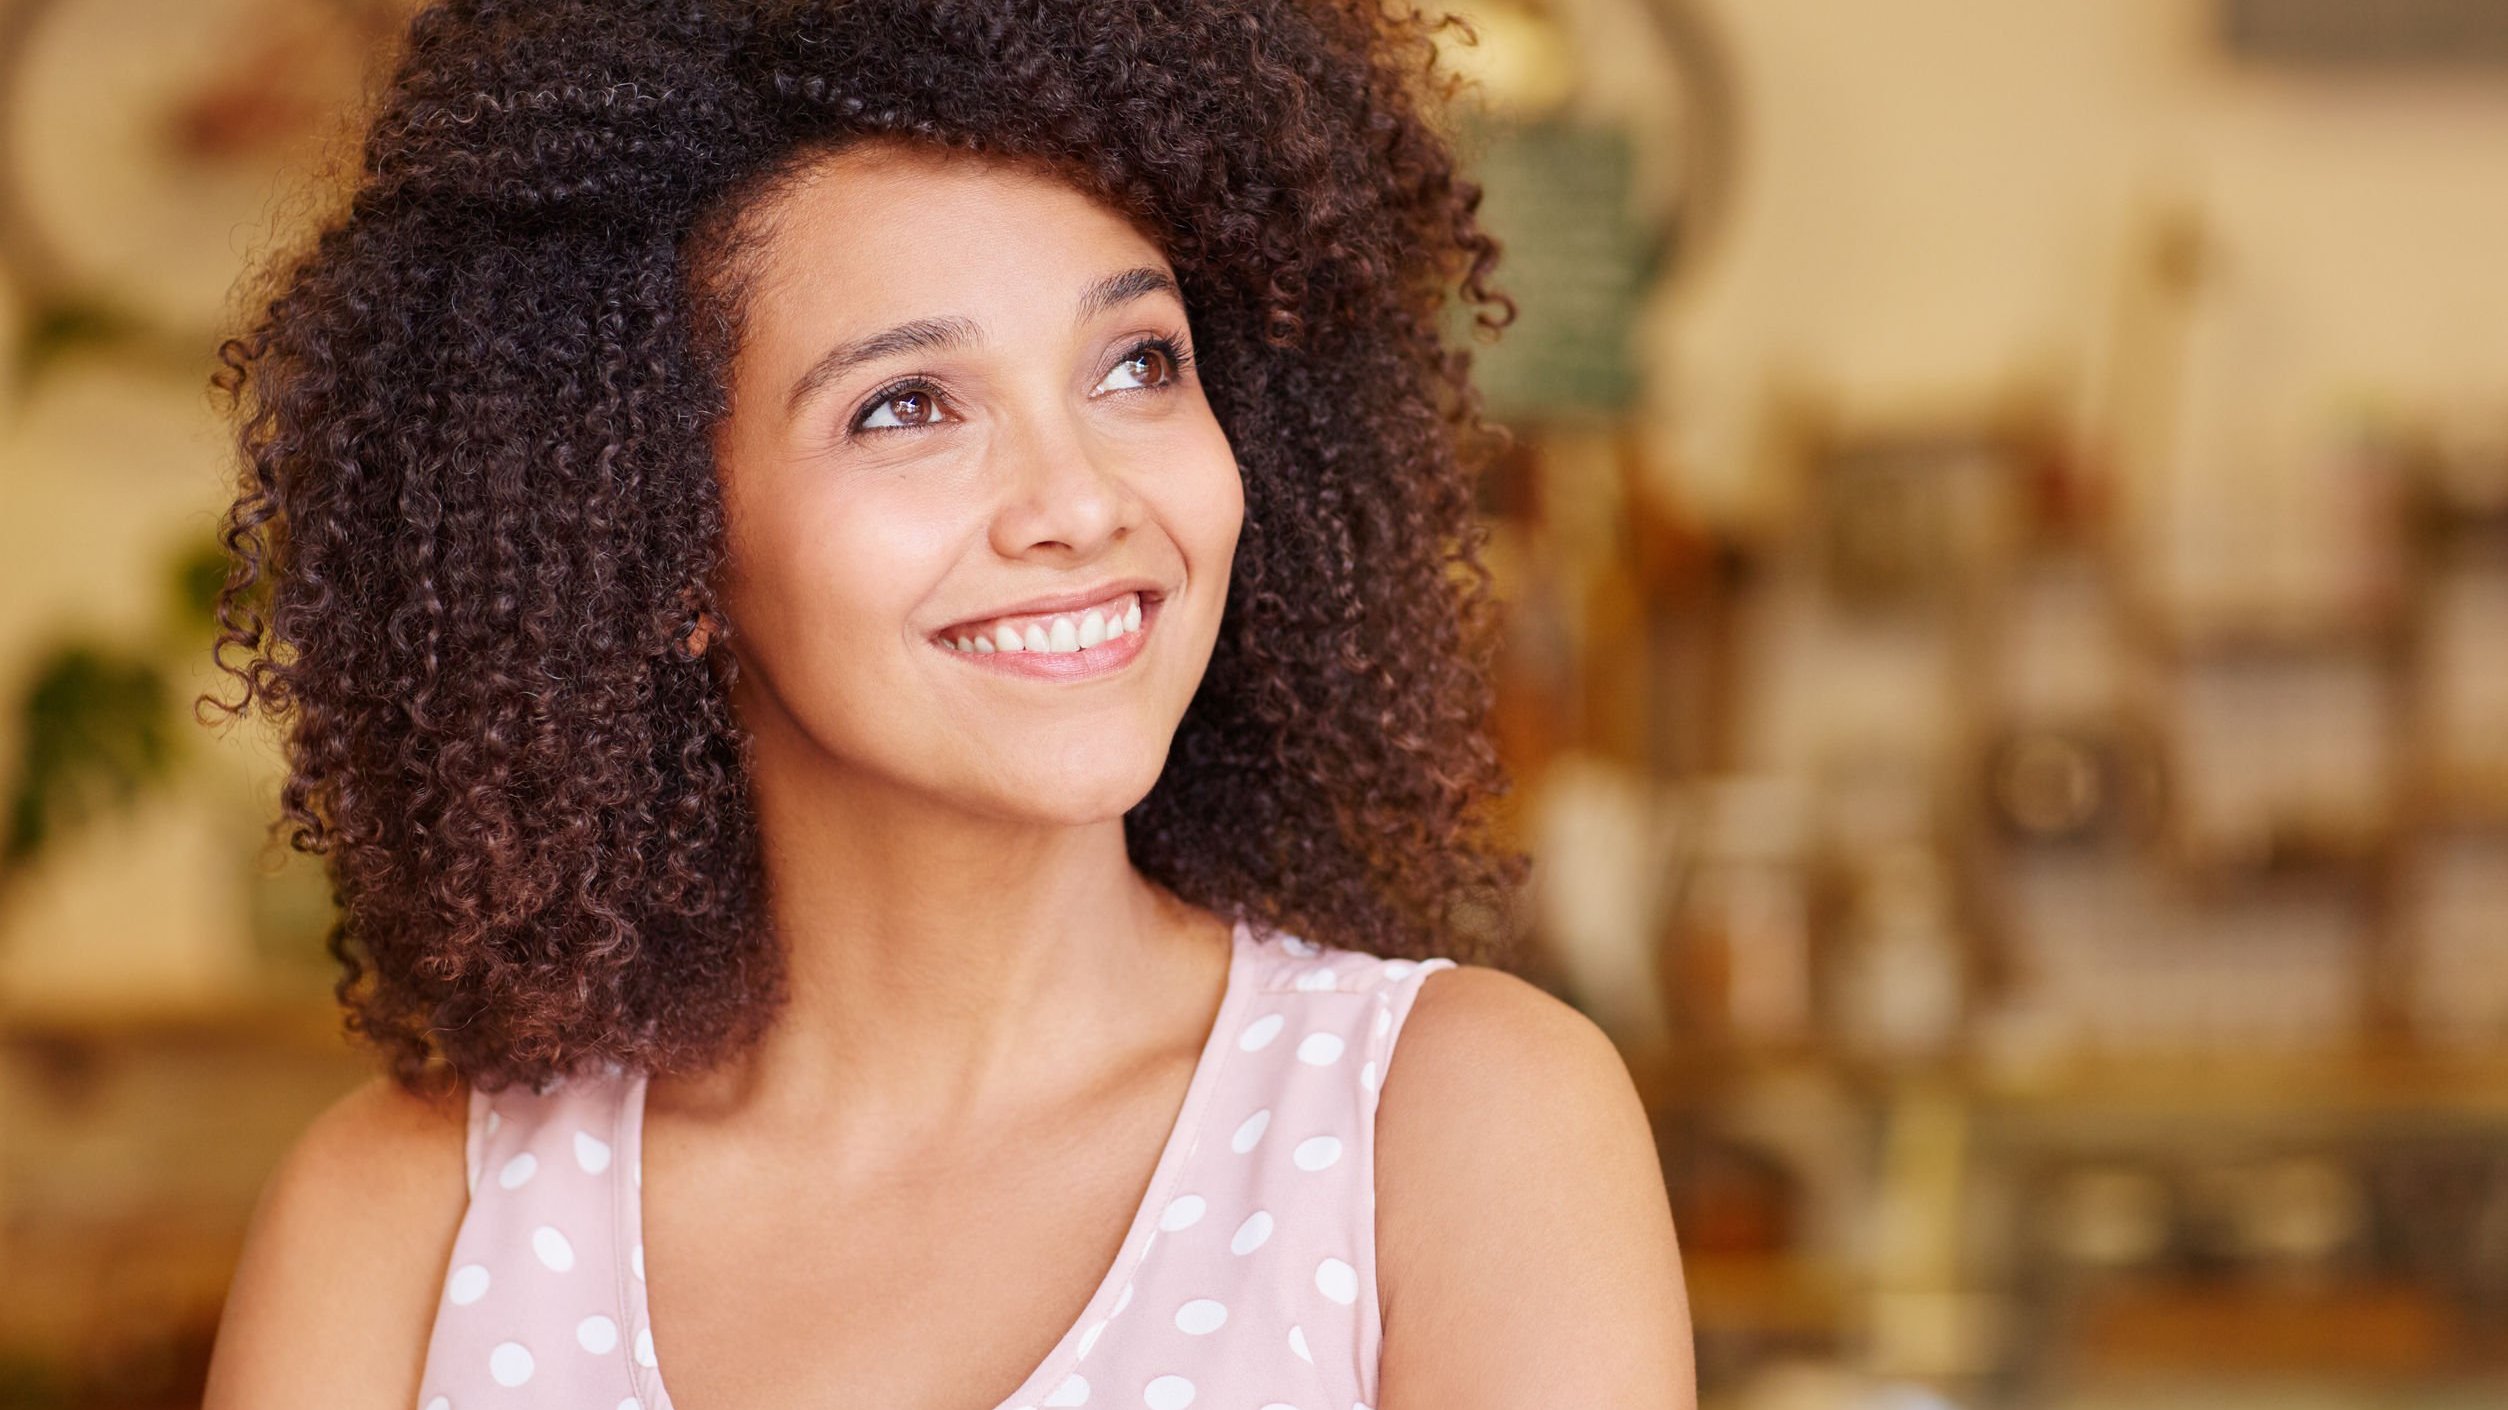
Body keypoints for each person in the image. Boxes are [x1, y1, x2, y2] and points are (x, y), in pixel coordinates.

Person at [198, 1, 1694, 1406]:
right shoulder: (402, 1226)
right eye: (908, 404)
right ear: (659, 539)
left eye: (1138, 364)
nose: (1079, 501)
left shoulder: (1458, 1131)